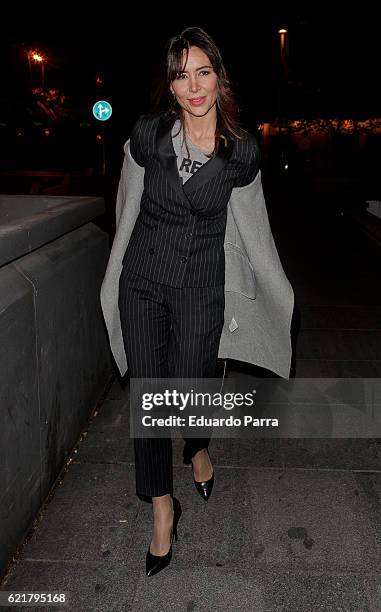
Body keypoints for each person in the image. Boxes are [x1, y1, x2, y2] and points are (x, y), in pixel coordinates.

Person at [100, 25, 295, 577]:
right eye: (181, 75)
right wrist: (114, 277)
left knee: (193, 383)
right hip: (142, 280)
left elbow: (255, 233)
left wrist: (272, 294)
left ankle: (198, 449)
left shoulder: (241, 153)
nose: (193, 86)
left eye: (203, 71)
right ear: (170, 83)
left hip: (201, 286)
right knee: (150, 397)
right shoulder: (147, 136)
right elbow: (126, 208)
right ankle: (163, 506)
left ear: (219, 76)